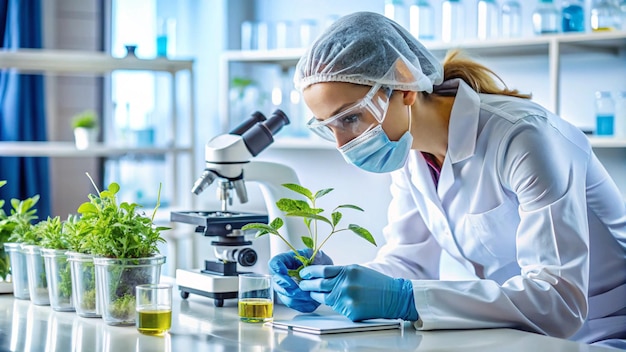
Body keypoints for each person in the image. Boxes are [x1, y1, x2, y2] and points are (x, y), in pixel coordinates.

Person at [268, 11, 626, 350]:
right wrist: (329, 281)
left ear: (404, 83)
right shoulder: (411, 156)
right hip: (520, 335)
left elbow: (558, 300)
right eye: (328, 127)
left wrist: (405, 299)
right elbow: (408, 266)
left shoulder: (523, 138)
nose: (342, 144)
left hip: (601, 333)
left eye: (350, 119)